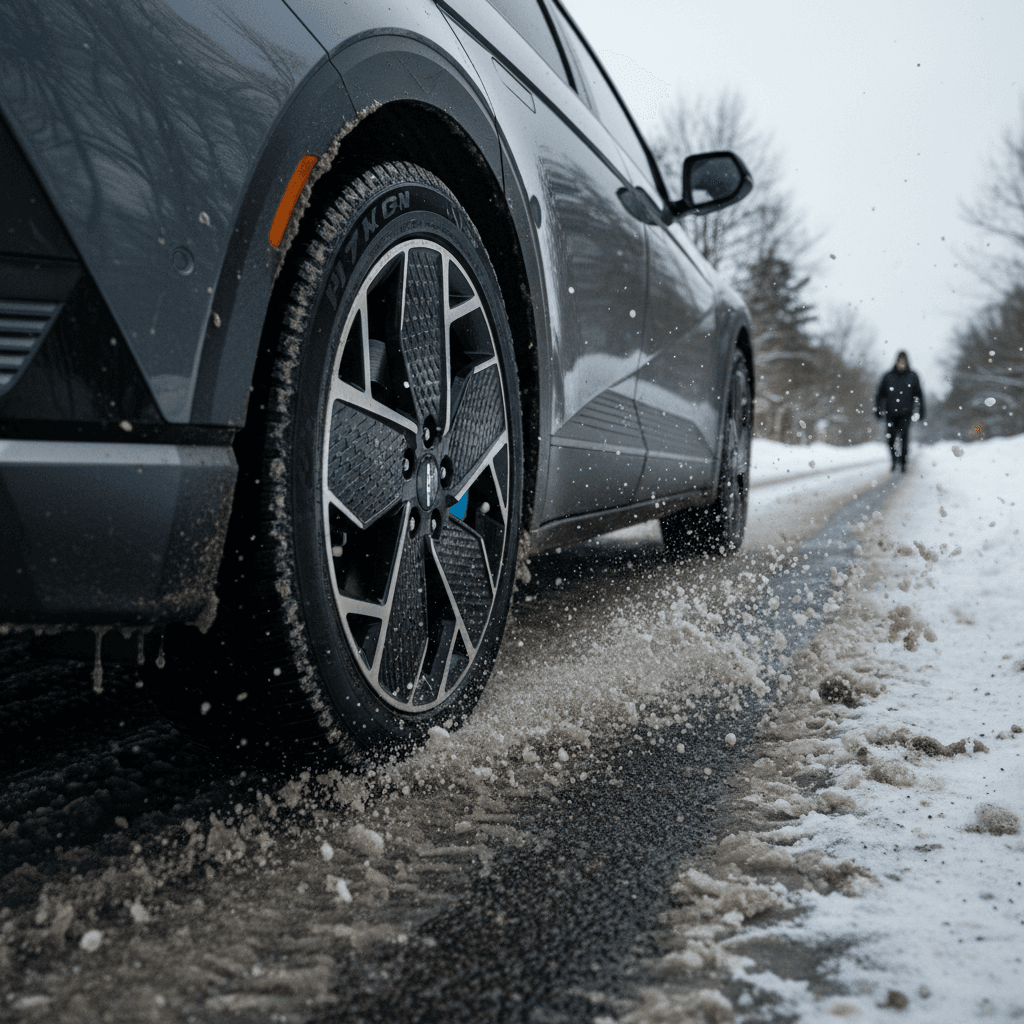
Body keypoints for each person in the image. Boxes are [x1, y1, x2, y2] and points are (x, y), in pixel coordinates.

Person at [875, 351, 925, 472]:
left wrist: (921, 410)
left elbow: (919, 395)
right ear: (896, 361)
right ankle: (894, 460)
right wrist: (878, 409)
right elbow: (880, 394)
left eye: (904, 361)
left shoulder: (913, 376)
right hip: (890, 413)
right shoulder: (888, 376)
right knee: (891, 439)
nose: (901, 364)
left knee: (904, 438)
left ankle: (902, 462)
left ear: (907, 362)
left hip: (906, 413)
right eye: (900, 361)